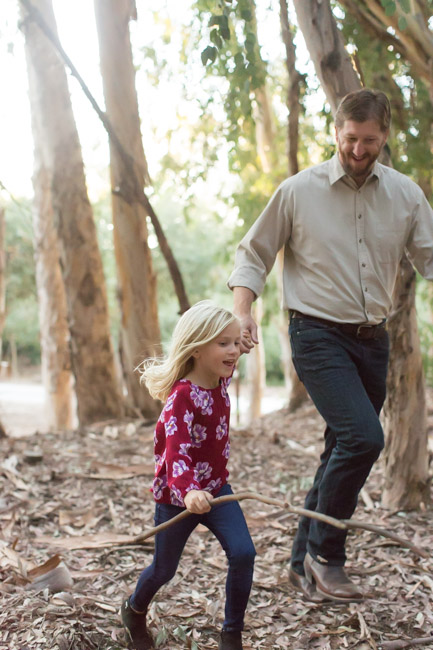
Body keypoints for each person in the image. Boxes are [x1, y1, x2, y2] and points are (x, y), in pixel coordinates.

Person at [228, 88, 433, 603]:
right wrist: (242, 309)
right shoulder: (300, 191)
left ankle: (298, 566)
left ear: (385, 136)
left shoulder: (406, 195)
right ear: (335, 132)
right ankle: (326, 555)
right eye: (349, 139)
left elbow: (429, 256)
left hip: (373, 341)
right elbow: (255, 251)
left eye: (369, 140)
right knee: (364, 439)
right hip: (316, 334)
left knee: (338, 449)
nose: (358, 150)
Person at [121, 301, 256, 650]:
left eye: (235, 342)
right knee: (164, 569)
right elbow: (176, 453)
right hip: (178, 497)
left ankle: (232, 634)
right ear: (196, 349)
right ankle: (134, 610)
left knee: (243, 553)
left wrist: (242, 331)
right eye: (223, 344)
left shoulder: (220, 379)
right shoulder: (181, 398)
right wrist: (190, 491)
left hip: (217, 490)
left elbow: (231, 344)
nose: (234, 351)